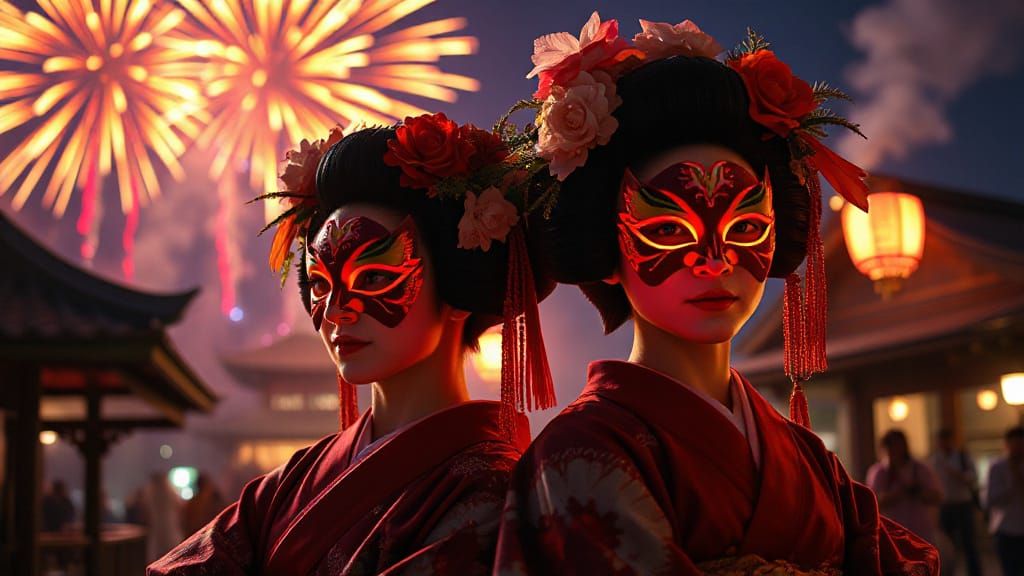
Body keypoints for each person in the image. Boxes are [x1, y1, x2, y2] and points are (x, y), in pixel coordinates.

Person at [494, 12, 939, 574]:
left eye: (746, 229)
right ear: (606, 249)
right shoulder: (578, 453)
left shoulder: (806, 456)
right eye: (668, 231)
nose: (715, 261)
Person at [149, 116, 557, 574]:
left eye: (376, 277)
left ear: (459, 289)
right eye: (322, 284)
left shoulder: (490, 491)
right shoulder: (301, 476)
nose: (336, 312)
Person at [867, 430, 944, 544]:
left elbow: (937, 497)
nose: (894, 449)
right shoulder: (878, 472)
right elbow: (872, 503)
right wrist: (899, 494)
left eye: (897, 445)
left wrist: (919, 492)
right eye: (890, 445)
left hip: (919, 532)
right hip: (891, 535)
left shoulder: (920, 469)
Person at [929, 428, 982, 576]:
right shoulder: (935, 461)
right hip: (945, 506)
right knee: (946, 545)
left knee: (969, 543)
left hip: (962, 504)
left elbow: (972, 477)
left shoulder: (962, 457)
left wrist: (956, 474)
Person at [986, 426, 1024, 576]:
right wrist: (1012, 486)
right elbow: (991, 500)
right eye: (1015, 445)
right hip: (1006, 529)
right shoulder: (997, 467)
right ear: (1007, 445)